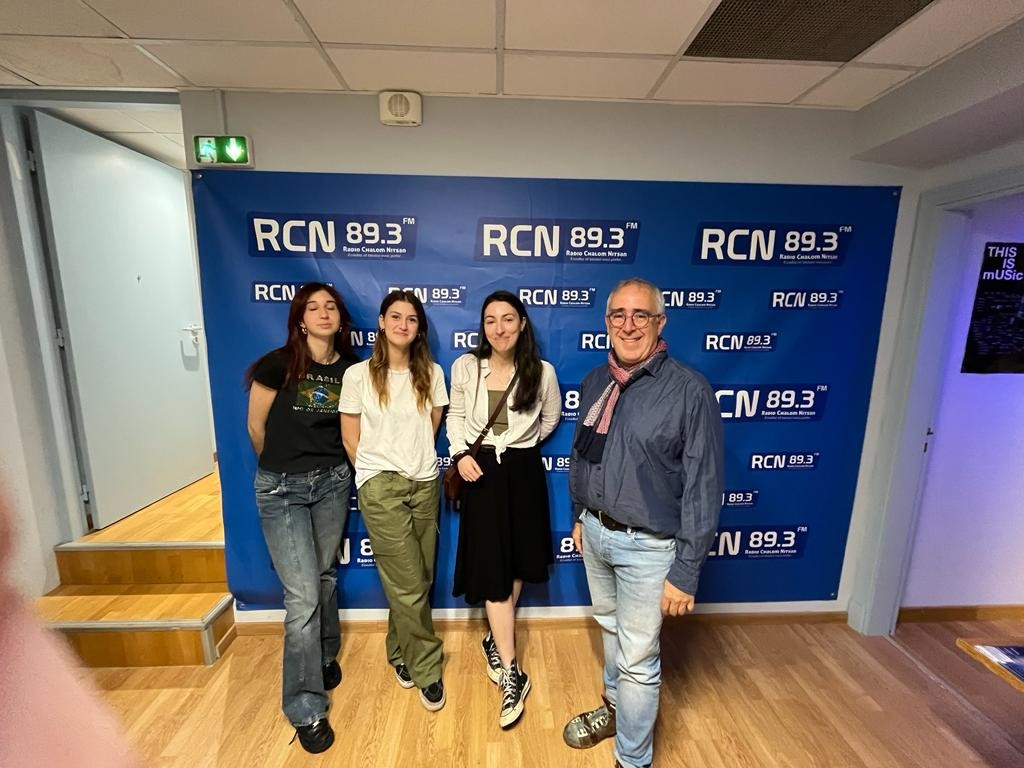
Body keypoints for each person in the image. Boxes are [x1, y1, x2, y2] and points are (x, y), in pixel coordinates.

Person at [564, 278, 724, 768]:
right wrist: (580, 516)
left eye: (641, 315)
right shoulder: (596, 381)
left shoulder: (689, 391)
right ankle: (615, 709)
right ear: (606, 321)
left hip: (648, 548)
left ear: (660, 323)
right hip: (596, 533)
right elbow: (583, 456)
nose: (629, 325)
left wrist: (686, 571)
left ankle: (632, 760)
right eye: (619, 314)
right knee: (611, 633)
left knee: (637, 659)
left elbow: (703, 486)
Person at [246, 282, 358, 754]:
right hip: (282, 488)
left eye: (330, 306)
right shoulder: (277, 364)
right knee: (303, 597)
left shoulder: (351, 370)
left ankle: (325, 654)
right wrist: (284, 472)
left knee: (326, 575)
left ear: (340, 318)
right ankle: (306, 707)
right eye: (313, 307)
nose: (323, 313)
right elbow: (256, 428)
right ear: (300, 319)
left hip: (332, 482)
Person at [448, 290, 561, 728]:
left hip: (523, 470)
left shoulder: (542, 372)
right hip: (480, 471)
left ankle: (496, 640)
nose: (499, 328)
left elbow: (549, 419)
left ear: (522, 324)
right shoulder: (465, 366)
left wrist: (520, 445)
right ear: (483, 327)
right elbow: (456, 417)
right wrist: (461, 454)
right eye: (491, 320)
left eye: (508, 319)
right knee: (495, 568)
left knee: (516, 560)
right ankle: (512, 672)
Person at [339, 290, 449, 711]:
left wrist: (412, 462)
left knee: (419, 579)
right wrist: (374, 476)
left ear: (419, 329)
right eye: (396, 317)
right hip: (381, 486)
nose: (404, 324)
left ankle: (399, 649)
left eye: (412, 319)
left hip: (425, 483)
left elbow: (432, 425)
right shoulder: (358, 376)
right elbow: (350, 437)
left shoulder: (432, 373)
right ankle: (427, 667)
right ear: (382, 322)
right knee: (407, 583)